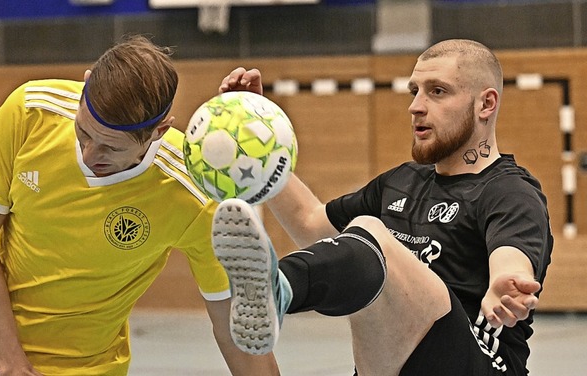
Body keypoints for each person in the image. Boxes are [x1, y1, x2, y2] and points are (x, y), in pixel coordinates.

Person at [215, 39, 553, 375]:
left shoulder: (510, 191)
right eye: (414, 91)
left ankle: (277, 289)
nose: (416, 106)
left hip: (479, 364)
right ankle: (271, 290)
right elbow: (309, 223)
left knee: (370, 229)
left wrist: (508, 284)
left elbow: (512, 260)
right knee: (365, 238)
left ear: (486, 104)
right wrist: (257, 144)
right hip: (393, 365)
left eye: (437, 91)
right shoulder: (401, 183)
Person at [0, 35, 279, 376]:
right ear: (87, 83)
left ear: (159, 131)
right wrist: (11, 364)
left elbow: (235, 328)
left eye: (111, 148)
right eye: (84, 133)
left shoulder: (194, 192)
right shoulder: (30, 112)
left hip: (81, 367)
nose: (90, 155)